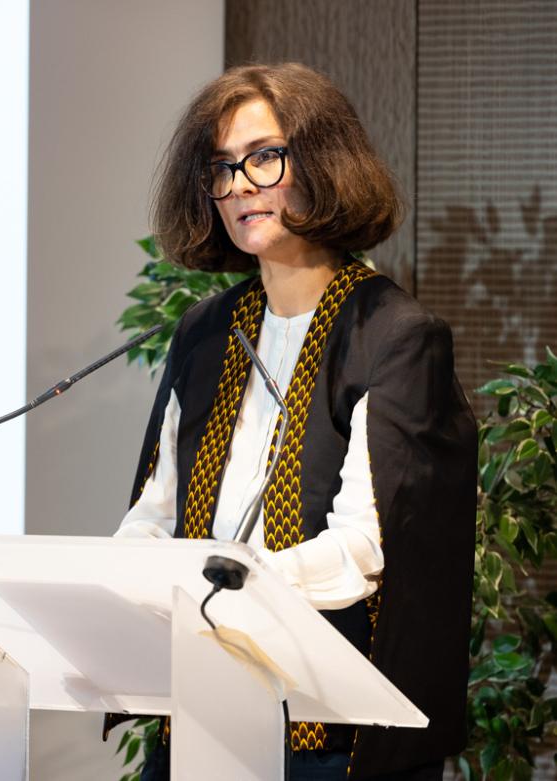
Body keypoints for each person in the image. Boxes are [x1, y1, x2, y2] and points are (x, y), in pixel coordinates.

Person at [111, 63, 476, 780]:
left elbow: (365, 549)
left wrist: (229, 587)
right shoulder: (204, 332)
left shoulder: (395, 334)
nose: (239, 184)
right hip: (196, 707)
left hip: (327, 731)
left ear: (324, 162)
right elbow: (154, 514)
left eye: (263, 158)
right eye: (221, 168)